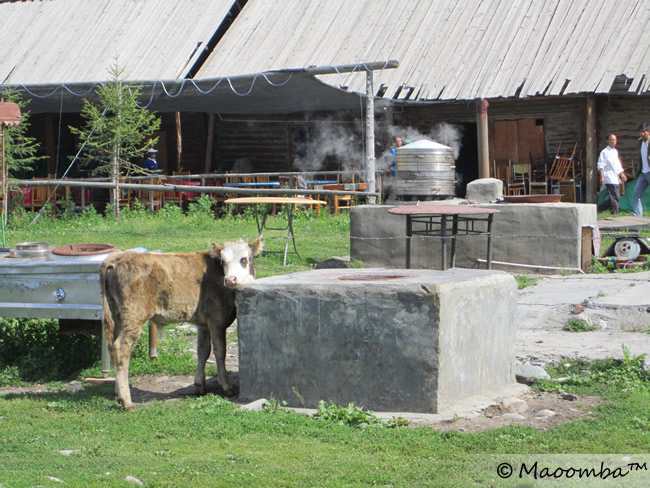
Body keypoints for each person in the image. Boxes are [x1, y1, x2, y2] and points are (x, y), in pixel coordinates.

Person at [597, 134, 627, 214]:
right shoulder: (604, 152)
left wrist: (622, 174)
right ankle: (615, 212)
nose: (613, 141)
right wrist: (602, 176)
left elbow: (617, 165)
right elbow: (601, 165)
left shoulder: (615, 152)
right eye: (611, 139)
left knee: (614, 197)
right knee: (615, 196)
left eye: (615, 140)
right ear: (608, 141)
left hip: (615, 177)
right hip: (608, 177)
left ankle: (599, 209)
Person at [632, 123, 650, 216]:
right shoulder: (640, 142)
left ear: (649, 132)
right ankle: (637, 215)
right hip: (643, 173)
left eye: (644, 131)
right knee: (636, 193)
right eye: (641, 132)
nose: (642, 134)